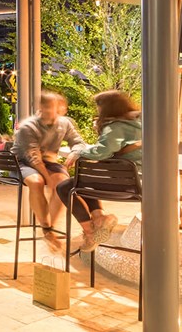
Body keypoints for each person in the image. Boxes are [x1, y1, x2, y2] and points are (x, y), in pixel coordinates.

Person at [57, 91, 142, 252]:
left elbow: (101, 152)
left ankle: (90, 231)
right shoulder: (139, 122)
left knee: (64, 187)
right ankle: (100, 218)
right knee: (86, 182)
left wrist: (78, 153)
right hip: (141, 182)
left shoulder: (116, 126)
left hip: (125, 184)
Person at [11, 91, 86, 247]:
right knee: (36, 182)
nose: (57, 109)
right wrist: (48, 177)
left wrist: (74, 152)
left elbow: (78, 142)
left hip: (49, 160)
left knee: (62, 184)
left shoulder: (64, 123)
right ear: (42, 107)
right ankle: (46, 228)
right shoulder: (28, 127)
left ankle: (48, 227)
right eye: (50, 106)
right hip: (23, 161)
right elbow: (33, 156)